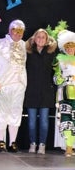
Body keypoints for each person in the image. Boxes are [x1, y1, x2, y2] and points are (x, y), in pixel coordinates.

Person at [0, 19, 27, 153]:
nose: (17, 33)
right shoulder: (0, 44)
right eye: (14, 30)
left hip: (19, 84)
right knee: (1, 112)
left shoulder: (25, 45)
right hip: (3, 83)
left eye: (20, 31)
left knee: (16, 112)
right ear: (9, 30)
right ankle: (0, 141)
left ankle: (13, 142)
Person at [24, 28, 57, 154]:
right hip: (31, 91)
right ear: (34, 38)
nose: (41, 39)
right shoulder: (28, 52)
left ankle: (42, 144)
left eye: (43, 37)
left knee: (44, 120)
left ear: (47, 39)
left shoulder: (51, 53)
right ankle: (33, 143)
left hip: (46, 91)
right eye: (38, 37)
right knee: (31, 121)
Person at [53, 28, 75, 157]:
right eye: (68, 46)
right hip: (65, 94)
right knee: (66, 120)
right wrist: (64, 79)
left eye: (73, 46)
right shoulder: (60, 60)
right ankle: (68, 147)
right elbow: (56, 78)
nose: (70, 49)